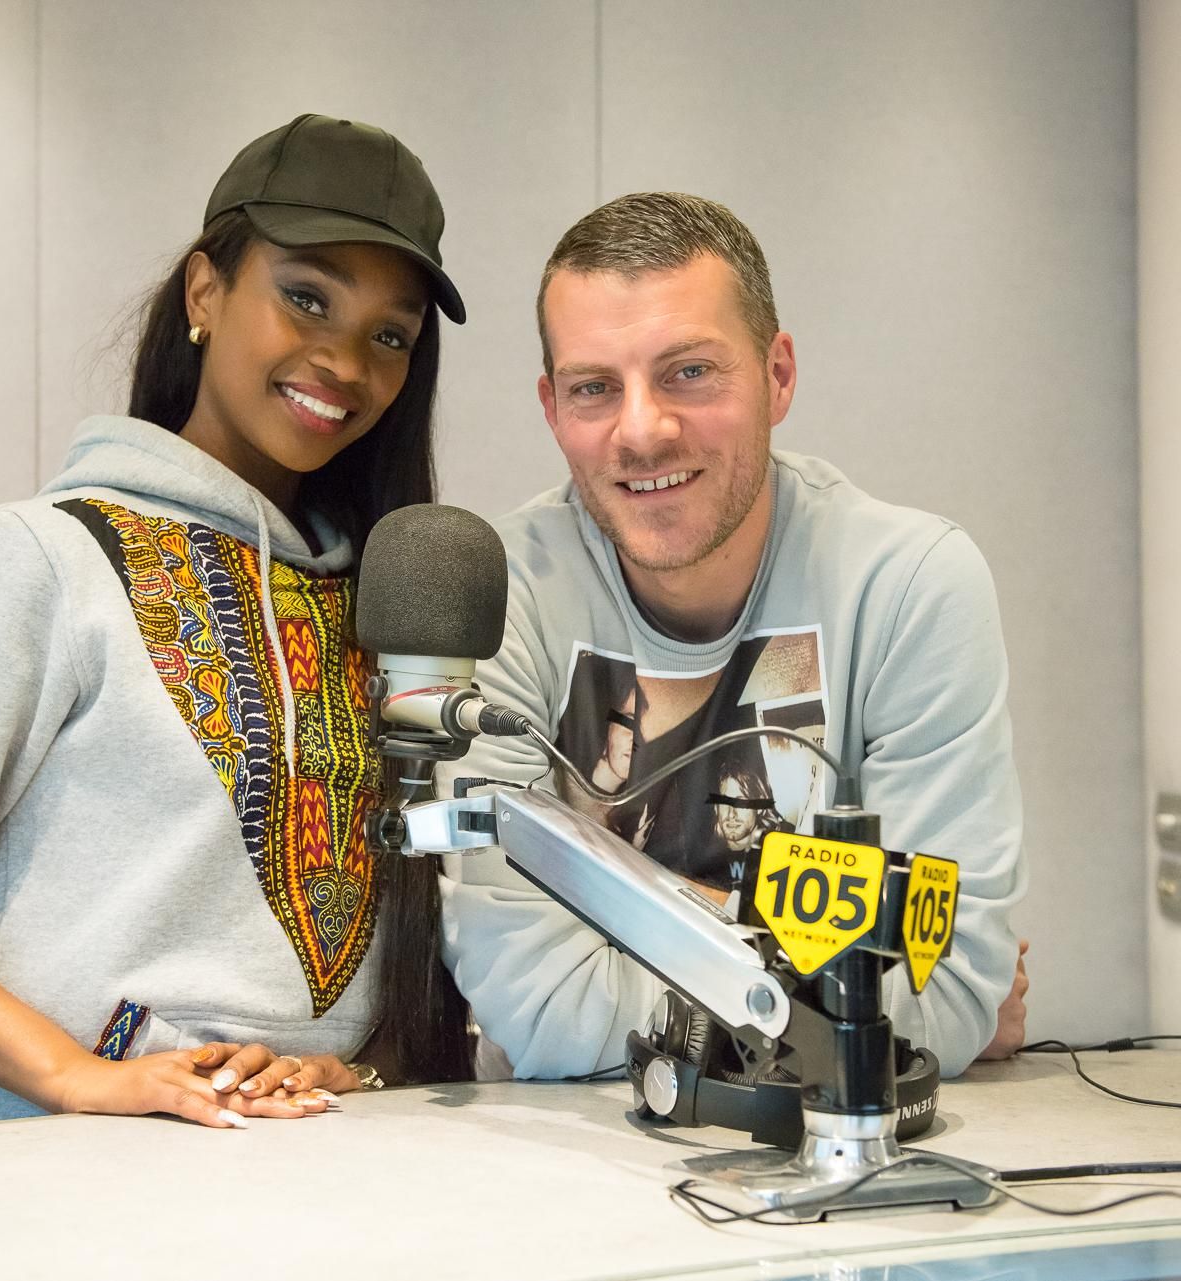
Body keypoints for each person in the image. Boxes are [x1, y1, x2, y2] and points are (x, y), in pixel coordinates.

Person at [0, 114, 472, 1130]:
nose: (346, 362)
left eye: (390, 336)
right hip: (60, 1192)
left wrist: (355, 1068)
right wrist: (72, 1074)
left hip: (322, 1181)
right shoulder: (37, 559)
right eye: (307, 297)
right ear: (204, 291)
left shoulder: (394, 608)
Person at [437, 192, 1028, 1081]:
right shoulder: (497, 596)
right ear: (553, 409)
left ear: (777, 375)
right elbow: (544, 1007)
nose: (643, 430)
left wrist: (617, 917)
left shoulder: (909, 586)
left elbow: (938, 990)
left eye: (689, 372)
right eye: (595, 388)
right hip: (556, 1151)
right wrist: (836, 1003)